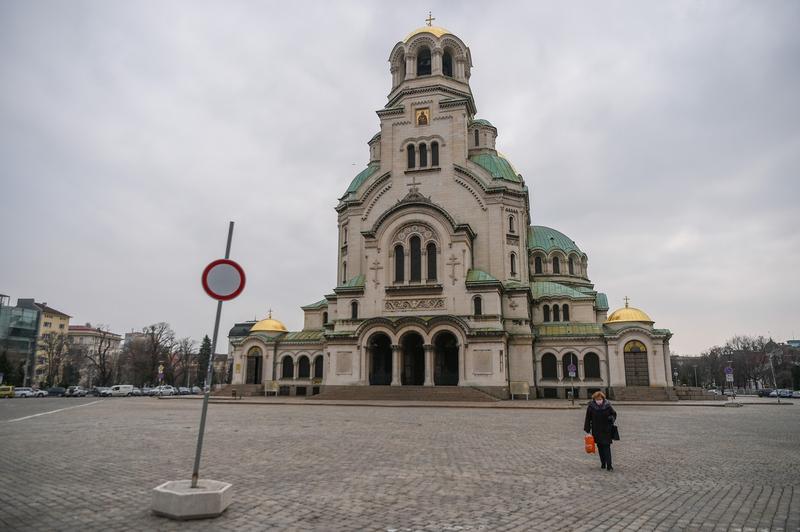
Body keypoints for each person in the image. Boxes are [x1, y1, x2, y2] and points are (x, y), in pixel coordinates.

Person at [583, 390, 617, 471]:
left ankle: (609, 465)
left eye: (600, 399)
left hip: (606, 430)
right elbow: (588, 418)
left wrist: (611, 418)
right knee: (600, 447)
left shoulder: (607, 405)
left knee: (607, 447)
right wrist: (587, 429)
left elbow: (614, 414)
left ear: (603, 398)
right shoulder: (591, 407)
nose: (599, 400)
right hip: (596, 430)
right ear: (594, 399)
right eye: (597, 399)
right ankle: (603, 463)